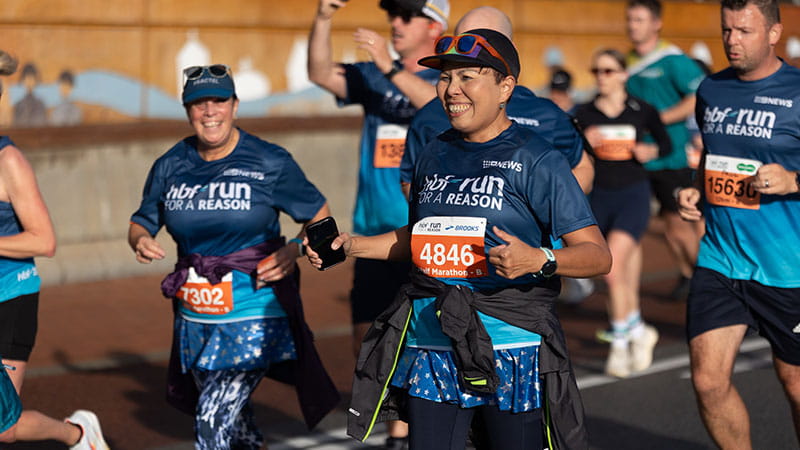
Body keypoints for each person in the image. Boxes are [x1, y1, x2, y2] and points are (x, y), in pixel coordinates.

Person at [310, 28, 610, 450]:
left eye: (467, 77)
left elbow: (597, 255)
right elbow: (422, 236)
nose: (452, 90)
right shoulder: (434, 151)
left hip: (511, 347)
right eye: (445, 78)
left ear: (505, 86)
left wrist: (540, 258)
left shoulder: (537, 158)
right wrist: (354, 245)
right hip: (432, 339)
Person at [128, 64, 339, 449]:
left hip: (257, 310)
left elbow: (322, 218)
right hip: (196, 317)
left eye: (218, 101)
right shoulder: (170, 165)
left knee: (210, 422)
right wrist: (140, 239)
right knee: (238, 429)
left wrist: (295, 249)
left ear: (235, 106)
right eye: (198, 103)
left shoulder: (270, 161)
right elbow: (141, 221)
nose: (209, 111)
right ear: (187, 110)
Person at [308, 1, 449, 446]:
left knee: (414, 342)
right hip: (372, 230)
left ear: (434, 25)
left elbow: (440, 108)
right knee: (364, 341)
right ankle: (400, 428)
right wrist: (324, 18)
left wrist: (390, 67)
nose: (396, 23)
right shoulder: (374, 75)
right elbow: (320, 74)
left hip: (421, 231)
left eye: (407, 16)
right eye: (394, 14)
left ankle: (400, 435)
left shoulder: (450, 79)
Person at [677, 0, 800, 447]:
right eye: (726, 30)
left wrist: (793, 180)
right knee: (709, 382)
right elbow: (713, 154)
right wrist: (697, 188)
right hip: (722, 259)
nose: (732, 41)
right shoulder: (712, 88)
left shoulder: (798, 91)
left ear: (773, 33)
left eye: (744, 31)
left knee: (795, 385)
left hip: (788, 268)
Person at [0, 50, 108, 450]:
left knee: (3, 428)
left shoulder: (8, 161)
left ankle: (79, 435)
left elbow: (44, 241)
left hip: (9, 298)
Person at [400, 6, 594, 198]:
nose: (470, 56)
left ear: (511, 51)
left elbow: (582, 167)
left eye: (484, 46)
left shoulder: (548, 115)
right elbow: (409, 179)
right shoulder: (428, 117)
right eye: (465, 42)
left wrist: (537, 214)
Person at [574, 49, 671, 378]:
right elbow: (565, 150)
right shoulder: (584, 113)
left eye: (609, 70)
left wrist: (650, 151)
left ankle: (619, 341)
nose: (601, 76)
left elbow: (666, 144)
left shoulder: (641, 110)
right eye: (597, 70)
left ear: (623, 75)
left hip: (633, 196)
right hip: (599, 197)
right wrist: (583, 141)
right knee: (624, 272)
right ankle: (639, 331)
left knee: (611, 267)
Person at [625, 0, 707, 301]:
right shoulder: (629, 62)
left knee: (682, 226)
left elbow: (698, 96)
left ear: (656, 23)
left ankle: (708, 281)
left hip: (672, 157)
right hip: (641, 159)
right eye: (630, 19)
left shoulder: (672, 59)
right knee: (671, 231)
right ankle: (689, 276)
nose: (633, 25)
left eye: (640, 19)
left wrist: (658, 120)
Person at [13, 62, 47, 127]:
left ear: (36, 80)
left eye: (32, 79)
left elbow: (44, 125)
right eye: (27, 79)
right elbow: (16, 126)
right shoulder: (18, 105)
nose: (29, 82)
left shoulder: (41, 104)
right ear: (22, 81)